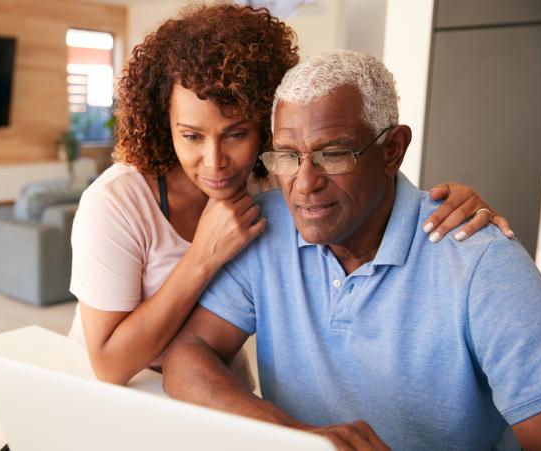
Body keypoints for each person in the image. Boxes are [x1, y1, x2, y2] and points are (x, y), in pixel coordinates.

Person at [68, 5, 512, 387]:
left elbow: (362, 179)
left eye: (237, 133)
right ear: (163, 124)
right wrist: (203, 255)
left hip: (211, 387)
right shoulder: (118, 202)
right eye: (191, 136)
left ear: (265, 123)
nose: (215, 160)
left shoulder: (273, 179)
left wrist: (452, 199)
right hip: (124, 395)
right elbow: (109, 364)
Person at [161, 50, 541, 451]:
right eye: (289, 156)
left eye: (332, 154)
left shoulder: (483, 263)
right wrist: (294, 435)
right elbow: (186, 356)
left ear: (392, 150)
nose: (305, 183)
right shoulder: (264, 228)